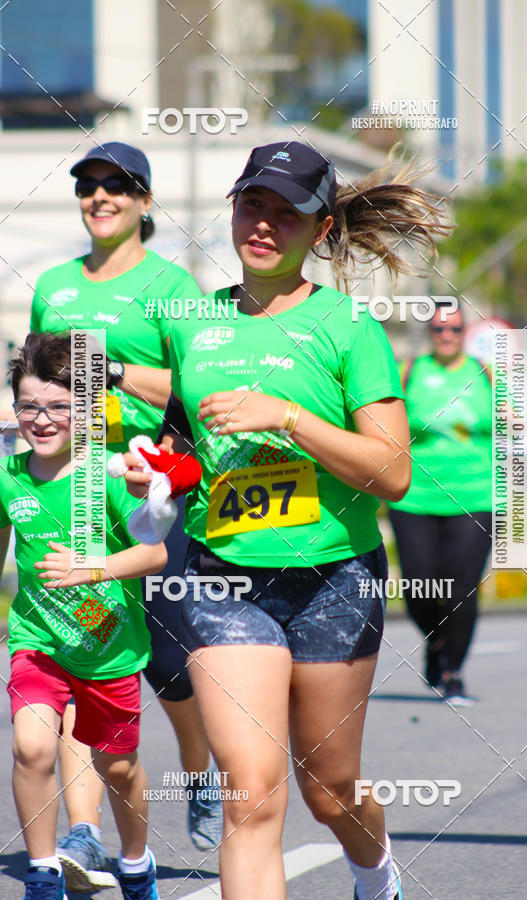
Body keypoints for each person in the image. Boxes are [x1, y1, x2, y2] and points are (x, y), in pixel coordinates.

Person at [123, 141, 450, 900]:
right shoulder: (191, 327)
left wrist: (291, 418)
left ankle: (375, 869)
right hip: (223, 583)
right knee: (253, 794)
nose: (264, 225)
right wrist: (158, 478)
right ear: (232, 208)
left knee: (328, 789)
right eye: (252, 205)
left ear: (321, 230)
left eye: (287, 213)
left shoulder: (348, 328)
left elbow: (393, 472)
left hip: (335, 580)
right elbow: (183, 458)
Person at [28, 141, 221, 890]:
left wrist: (108, 368)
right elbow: (42, 378)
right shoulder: (53, 285)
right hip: (79, 492)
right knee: (82, 658)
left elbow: (199, 381)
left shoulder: (173, 287)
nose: (99, 197)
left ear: (144, 202)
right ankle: (84, 829)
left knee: (171, 671)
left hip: (157, 493)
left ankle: (200, 773)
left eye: (117, 186)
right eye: (88, 186)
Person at [1, 331, 165, 900]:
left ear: (89, 413)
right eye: (29, 406)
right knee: (32, 748)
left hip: (110, 650)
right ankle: (44, 871)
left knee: (118, 768)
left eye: (59, 407)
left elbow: (155, 553)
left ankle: (137, 863)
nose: (41, 420)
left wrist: (91, 567)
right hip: (36, 641)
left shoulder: (109, 475)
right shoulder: (9, 477)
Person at [388, 302, 493, 705]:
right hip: (415, 496)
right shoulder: (410, 371)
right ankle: (434, 641)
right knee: (419, 585)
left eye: (453, 330)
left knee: (462, 588)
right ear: (429, 334)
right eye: (438, 330)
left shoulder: (486, 373)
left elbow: (517, 426)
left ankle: (452, 672)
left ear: (464, 332)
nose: (446, 337)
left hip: (475, 495)